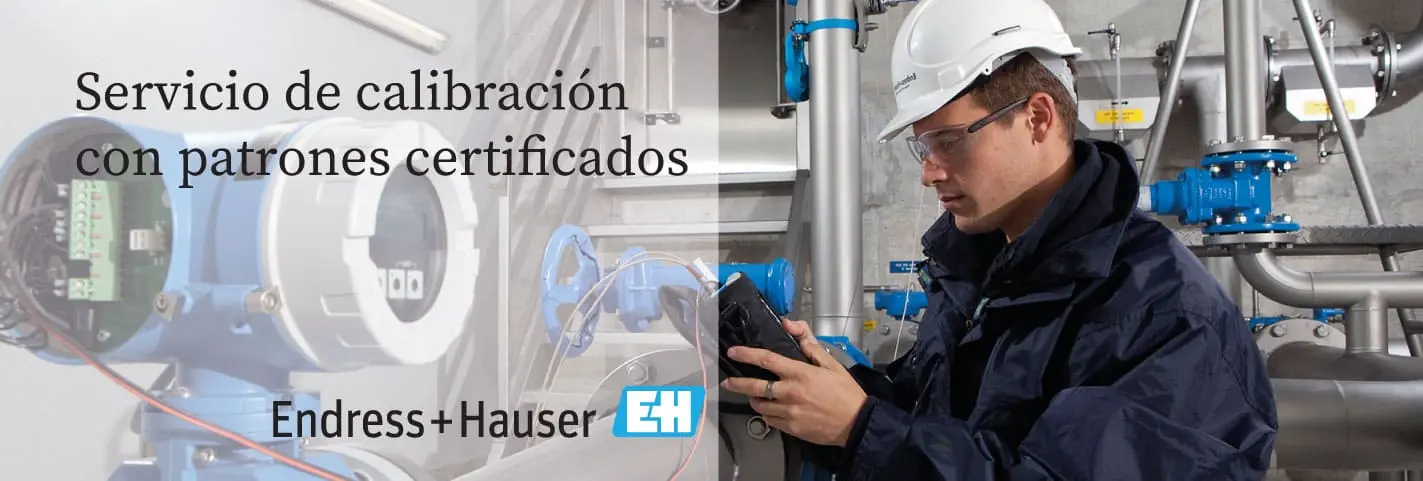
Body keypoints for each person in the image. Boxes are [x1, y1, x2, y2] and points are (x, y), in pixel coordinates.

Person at [718, 0, 1280, 479]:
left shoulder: (1161, 315)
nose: (928, 172)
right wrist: (838, 391)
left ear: (1037, 118)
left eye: (948, 141)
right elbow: (937, 424)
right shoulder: (983, 273)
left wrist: (860, 426)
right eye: (923, 147)